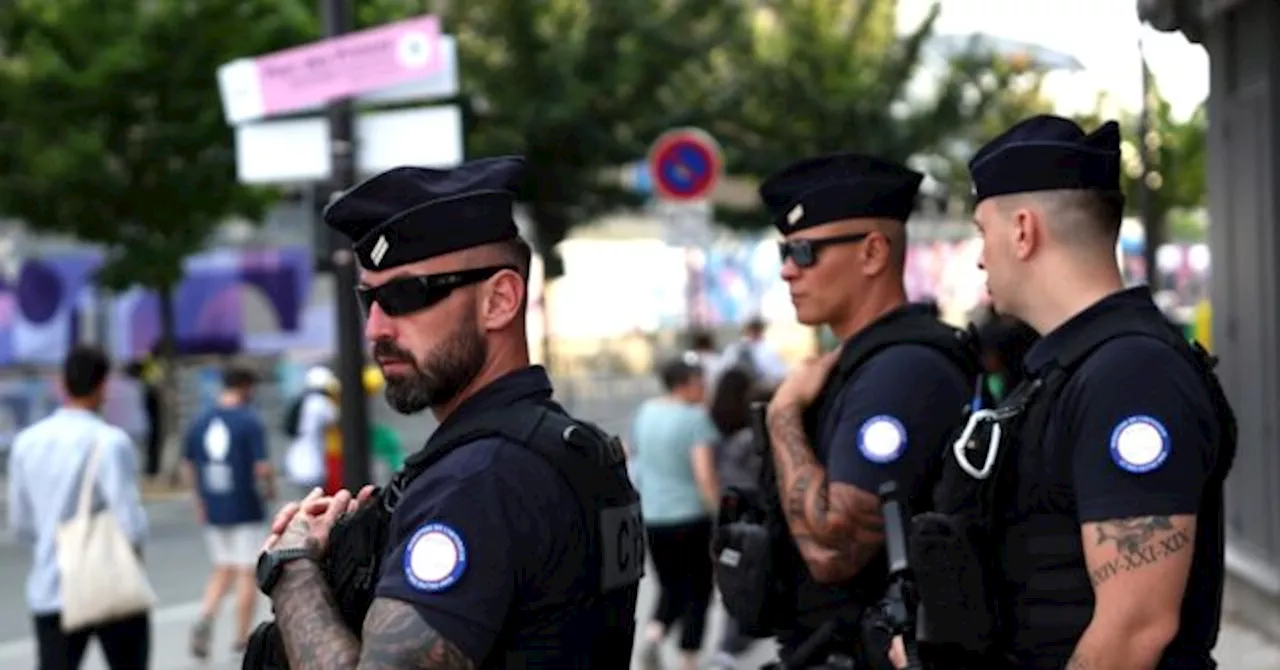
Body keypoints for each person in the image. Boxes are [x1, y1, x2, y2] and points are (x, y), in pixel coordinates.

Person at [256, 156, 642, 668]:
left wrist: (292, 569)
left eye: (405, 295)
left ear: (500, 300)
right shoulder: (566, 448)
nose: (376, 328)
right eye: (367, 298)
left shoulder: (480, 481)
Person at [904, 115, 1236, 669]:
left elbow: (1135, 631)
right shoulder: (1073, 369)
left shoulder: (1131, 376)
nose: (981, 255)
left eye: (983, 231)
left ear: (1023, 230)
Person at [748, 153, 980, 667]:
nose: (788, 271)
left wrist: (782, 415)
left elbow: (834, 549)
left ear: (873, 252)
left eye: (804, 252)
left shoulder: (903, 372)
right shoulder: (861, 364)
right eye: (783, 252)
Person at [7, 345, 151, 669]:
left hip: (50, 585)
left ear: (62, 384)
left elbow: (21, 523)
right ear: (104, 386)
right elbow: (130, 522)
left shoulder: (26, 443)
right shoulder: (110, 441)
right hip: (109, 582)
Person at [629, 358, 721, 670]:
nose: (705, 388)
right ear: (685, 384)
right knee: (698, 591)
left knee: (669, 585)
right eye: (700, 381)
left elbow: (634, 456)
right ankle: (688, 661)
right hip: (692, 517)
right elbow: (704, 474)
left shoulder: (646, 413)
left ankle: (654, 639)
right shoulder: (695, 419)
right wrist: (719, 513)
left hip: (654, 516)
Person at [183, 363, 275, 658]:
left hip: (213, 504)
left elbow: (187, 464)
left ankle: (205, 615)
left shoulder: (200, 420)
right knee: (247, 571)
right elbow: (261, 467)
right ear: (246, 387)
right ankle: (242, 638)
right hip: (244, 504)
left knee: (223, 567)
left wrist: (198, 499)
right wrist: (270, 488)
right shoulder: (249, 421)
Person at [706, 369, 774, 669]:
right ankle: (730, 647)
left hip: (730, 515)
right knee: (748, 579)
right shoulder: (750, 440)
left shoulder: (721, 430)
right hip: (752, 517)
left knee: (735, 579)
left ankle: (728, 647)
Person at [281, 366, 338, 498]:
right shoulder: (319, 402)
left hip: (296, 458)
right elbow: (335, 419)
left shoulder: (301, 400)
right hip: (312, 461)